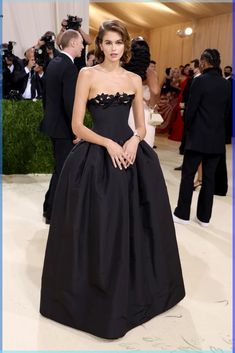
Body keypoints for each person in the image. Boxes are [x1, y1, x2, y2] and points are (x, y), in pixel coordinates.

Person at [40, 20, 185, 339]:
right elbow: (78, 125)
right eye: (107, 42)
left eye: (118, 42)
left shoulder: (134, 79)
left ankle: (132, 289)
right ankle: (95, 291)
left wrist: (134, 141)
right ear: (100, 46)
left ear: (125, 45)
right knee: (98, 223)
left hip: (130, 155)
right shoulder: (86, 75)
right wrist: (107, 143)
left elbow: (142, 125)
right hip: (96, 155)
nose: (113, 48)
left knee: (135, 221)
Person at [173, 49, 230, 227]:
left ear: (204, 62)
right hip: (217, 139)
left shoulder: (199, 81)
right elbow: (227, 113)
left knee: (188, 175)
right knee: (209, 178)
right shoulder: (226, 84)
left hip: (197, 137)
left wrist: (189, 128)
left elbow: (191, 110)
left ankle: (183, 214)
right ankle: (204, 218)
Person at [40, 29, 84, 224]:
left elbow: (47, 98)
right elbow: (69, 102)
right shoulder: (68, 67)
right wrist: (77, 130)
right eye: (81, 42)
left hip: (53, 125)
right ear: (73, 43)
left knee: (60, 168)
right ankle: (53, 213)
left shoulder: (54, 63)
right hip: (64, 129)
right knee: (64, 170)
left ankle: (49, 208)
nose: (83, 46)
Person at [126, 38, 160, 147]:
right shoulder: (150, 72)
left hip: (126, 112)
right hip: (144, 113)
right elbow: (155, 92)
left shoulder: (124, 70)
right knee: (145, 148)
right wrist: (152, 105)